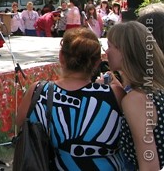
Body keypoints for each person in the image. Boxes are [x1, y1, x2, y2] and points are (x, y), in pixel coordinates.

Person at [17, 27, 125, 170]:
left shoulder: (38, 91)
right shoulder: (115, 94)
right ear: (97, 63)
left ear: (61, 57)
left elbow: (20, 126)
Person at [106, 22, 164, 170]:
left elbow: (149, 165)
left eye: (110, 46)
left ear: (124, 52)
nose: (106, 51)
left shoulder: (136, 100)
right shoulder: (154, 90)